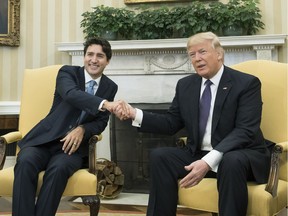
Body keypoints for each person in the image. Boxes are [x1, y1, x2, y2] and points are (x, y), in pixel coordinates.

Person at [113, 32, 271, 216]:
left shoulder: (246, 83)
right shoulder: (186, 85)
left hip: (240, 155)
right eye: (192, 54)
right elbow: (171, 122)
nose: (197, 59)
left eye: (202, 52)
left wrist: (207, 161)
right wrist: (134, 114)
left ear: (219, 54)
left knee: (230, 160)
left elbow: (245, 130)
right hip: (197, 153)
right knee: (161, 156)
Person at [12, 37, 121, 216]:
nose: (94, 60)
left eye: (100, 56)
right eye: (90, 54)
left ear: (107, 61)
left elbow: (100, 122)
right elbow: (71, 95)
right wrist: (105, 103)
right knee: (25, 162)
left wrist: (83, 129)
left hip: (71, 149)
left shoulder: (110, 86)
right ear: (84, 57)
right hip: (43, 141)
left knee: (59, 169)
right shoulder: (68, 73)